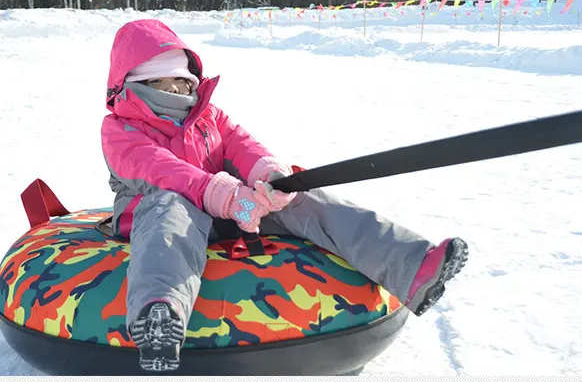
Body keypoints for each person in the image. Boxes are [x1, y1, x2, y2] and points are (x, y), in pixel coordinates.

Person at [101, 19, 469, 372]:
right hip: (156, 214)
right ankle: (158, 320)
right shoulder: (119, 129)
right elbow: (160, 170)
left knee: (302, 199)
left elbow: (242, 145)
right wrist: (223, 194)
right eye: (166, 85)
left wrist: (270, 179)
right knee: (170, 206)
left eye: (184, 83)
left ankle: (411, 266)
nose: (180, 94)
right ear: (138, 84)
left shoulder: (208, 115)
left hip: (227, 208)